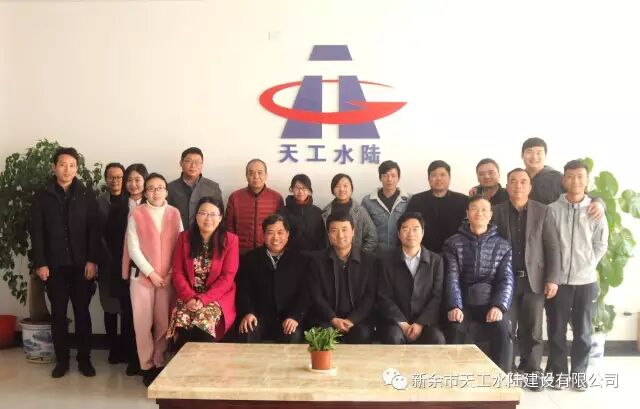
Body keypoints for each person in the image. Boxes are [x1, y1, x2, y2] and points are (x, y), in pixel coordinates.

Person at [29, 147, 100, 378]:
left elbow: (93, 230)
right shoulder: (42, 195)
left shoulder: (86, 194)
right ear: (54, 167)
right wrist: (40, 263)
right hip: (54, 266)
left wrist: (92, 260)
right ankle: (62, 361)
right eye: (62, 165)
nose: (67, 170)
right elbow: (37, 231)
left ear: (77, 168)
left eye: (72, 165)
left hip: (82, 265)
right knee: (58, 315)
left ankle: (84, 360)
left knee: (82, 313)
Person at [492, 168, 560, 389]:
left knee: (533, 330)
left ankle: (532, 371)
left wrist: (552, 278)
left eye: (523, 181)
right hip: (505, 281)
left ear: (530, 187)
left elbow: (552, 247)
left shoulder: (543, 211)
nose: (518, 186)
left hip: (534, 280)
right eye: (513, 181)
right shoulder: (496, 211)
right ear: (507, 186)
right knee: (506, 327)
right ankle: (507, 370)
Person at [546, 160, 608, 391]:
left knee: (583, 332)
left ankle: (579, 374)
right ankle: (559, 374)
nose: (575, 181)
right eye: (570, 176)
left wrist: (588, 266)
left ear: (587, 180)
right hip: (559, 282)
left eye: (580, 176)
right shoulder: (552, 210)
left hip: (586, 281)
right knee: (556, 330)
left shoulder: (596, 210)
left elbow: (601, 244)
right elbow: (547, 244)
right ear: (564, 180)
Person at [123, 173, 183, 386]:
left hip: (167, 279)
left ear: (166, 191)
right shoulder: (136, 214)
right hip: (142, 279)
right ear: (145, 192)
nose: (156, 192)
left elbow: (181, 246)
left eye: (160, 188)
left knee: (163, 322)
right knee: (142, 323)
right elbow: (133, 249)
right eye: (151, 188)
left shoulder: (174, 213)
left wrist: (170, 273)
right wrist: (151, 273)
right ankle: (146, 366)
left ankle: (159, 361)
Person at [444, 196, 513, 372]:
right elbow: (452, 277)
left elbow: (506, 279)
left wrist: (499, 306)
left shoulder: (503, 245)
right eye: (474, 209)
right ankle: (457, 376)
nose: (479, 213)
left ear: (490, 215)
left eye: (484, 210)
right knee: (456, 326)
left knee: (503, 327)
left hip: (490, 303)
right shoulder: (453, 243)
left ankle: (502, 376)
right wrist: (455, 306)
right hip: (463, 303)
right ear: (467, 213)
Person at [168, 197, 239, 347]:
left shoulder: (230, 240)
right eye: (203, 213)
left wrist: (203, 300)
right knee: (182, 319)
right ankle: (184, 361)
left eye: (213, 214)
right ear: (196, 216)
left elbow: (227, 278)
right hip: (188, 295)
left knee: (203, 321)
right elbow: (177, 272)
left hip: (217, 297)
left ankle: (203, 361)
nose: (208, 218)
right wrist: (189, 298)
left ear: (220, 218)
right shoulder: (184, 238)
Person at [236, 214, 308, 343]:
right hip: (258, 317)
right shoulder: (250, 258)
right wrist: (247, 312)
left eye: (280, 232)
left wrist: (294, 316)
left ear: (287, 234)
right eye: (270, 233)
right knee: (246, 332)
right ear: (263, 235)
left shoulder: (300, 259)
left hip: (287, 318)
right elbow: (243, 290)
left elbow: (305, 293)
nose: (275, 238)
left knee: (293, 336)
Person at [377, 212, 446, 345]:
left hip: (425, 323)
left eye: (415, 229)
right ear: (398, 234)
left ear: (423, 232)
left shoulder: (436, 261)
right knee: (393, 337)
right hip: (396, 323)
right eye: (405, 229)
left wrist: (420, 323)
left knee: (437, 338)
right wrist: (402, 323)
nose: (411, 234)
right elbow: (384, 296)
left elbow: (437, 297)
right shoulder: (386, 261)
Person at [308, 213, 378, 344]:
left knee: (362, 335)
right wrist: (333, 318)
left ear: (353, 231)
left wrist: (352, 320)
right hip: (327, 320)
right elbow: (316, 296)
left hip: (358, 321)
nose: (340, 235)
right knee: (324, 335)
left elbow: (370, 296)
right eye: (334, 230)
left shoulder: (369, 260)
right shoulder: (317, 261)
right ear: (328, 234)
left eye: (345, 230)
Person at [106, 163, 147, 376]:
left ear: (145, 181)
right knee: (129, 314)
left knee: (147, 315)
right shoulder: (118, 208)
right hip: (124, 269)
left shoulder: (154, 205)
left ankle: (148, 358)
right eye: (129, 180)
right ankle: (133, 358)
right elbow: (112, 241)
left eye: (137, 180)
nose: (133, 184)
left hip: (150, 270)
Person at [520, 138, 603, 220]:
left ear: (545, 155)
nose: (534, 157)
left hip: (553, 225)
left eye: (539, 153)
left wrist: (598, 203)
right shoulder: (518, 178)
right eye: (529, 152)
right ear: (522, 155)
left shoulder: (557, 178)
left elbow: (582, 195)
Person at [97, 162, 127, 364]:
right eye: (111, 177)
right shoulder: (98, 201)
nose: (115, 180)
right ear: (106, 178)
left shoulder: (131, 200)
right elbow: (93, 231)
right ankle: (113, 349)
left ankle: (125, 347)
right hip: (106, 261)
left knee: (126, 307)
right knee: (109, 306)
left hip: (128, 261)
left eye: (119, 177)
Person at [406, 160, 468, 253]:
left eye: (443, 175)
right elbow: (408, 226)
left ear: (449, 178)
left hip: (455, 254)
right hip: (423, 253)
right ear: (429, 179)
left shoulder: (463, 201)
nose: (439, 178)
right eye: (434, 175)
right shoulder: (416, 200)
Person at [225, 159, 284, 254]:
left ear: (266, 175)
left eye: (260, 173)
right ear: (246, 176)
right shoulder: (235, 197)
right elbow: (229, 226)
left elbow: (281, 228)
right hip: (240, 252)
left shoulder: (276, 198)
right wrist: (232, 249)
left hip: (268, 252)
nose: (256, 176)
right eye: (251, 173)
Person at [361, 160, 411, 252]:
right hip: (377, 252)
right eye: (385, 175)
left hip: (402, 252)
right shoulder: (368, 201)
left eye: (393, 175)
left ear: (398, 178)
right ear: (380, 178)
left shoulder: (408, 200)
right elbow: (364, 230)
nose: (389, 179)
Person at [168, 147, 223, 229]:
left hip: (206, 235)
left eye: (197, 162)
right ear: (181, 163)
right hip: (177, 234)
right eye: (188, 161)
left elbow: (220, 215)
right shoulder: (170, 188)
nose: (193, 165)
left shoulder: (213, 187)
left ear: (202, 165)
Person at [321, 173, 377, 252]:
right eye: (337, 186)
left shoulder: (360, 211)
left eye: (345, 186)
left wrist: (360, 255)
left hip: (355, 258)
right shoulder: (325, 212)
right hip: (331, 257)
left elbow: (372, 237)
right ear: (332, 190)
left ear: (351, 189)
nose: (341, 189)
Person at [278, 174, 325, 252]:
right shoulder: (282, 212)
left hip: (313, 256)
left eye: (304, 188)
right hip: (289, 255)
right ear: (292, 189)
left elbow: (322, 239)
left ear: (309, 190)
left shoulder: (318, 212)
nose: (300, 191)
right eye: (297, 188)